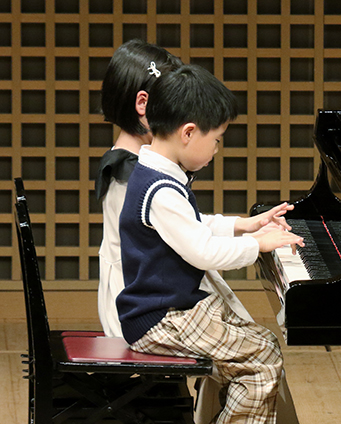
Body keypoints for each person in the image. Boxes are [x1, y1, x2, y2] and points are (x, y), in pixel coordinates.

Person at [116, 64, 304, 424]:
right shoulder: (160, 189)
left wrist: (244, 225)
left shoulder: (156, 175)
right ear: (189, 133)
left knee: (260, 344)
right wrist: (259, 244)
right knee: (263, 360)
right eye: (216, 140)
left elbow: (193, 226)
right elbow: (203, 251)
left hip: (173, 311)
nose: (217, 149)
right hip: (163, 319)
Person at [95, 39, 183, 338]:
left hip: (139, 296)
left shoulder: (126, 161)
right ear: (142, 104)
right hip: (141, 310)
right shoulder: (131, 172)